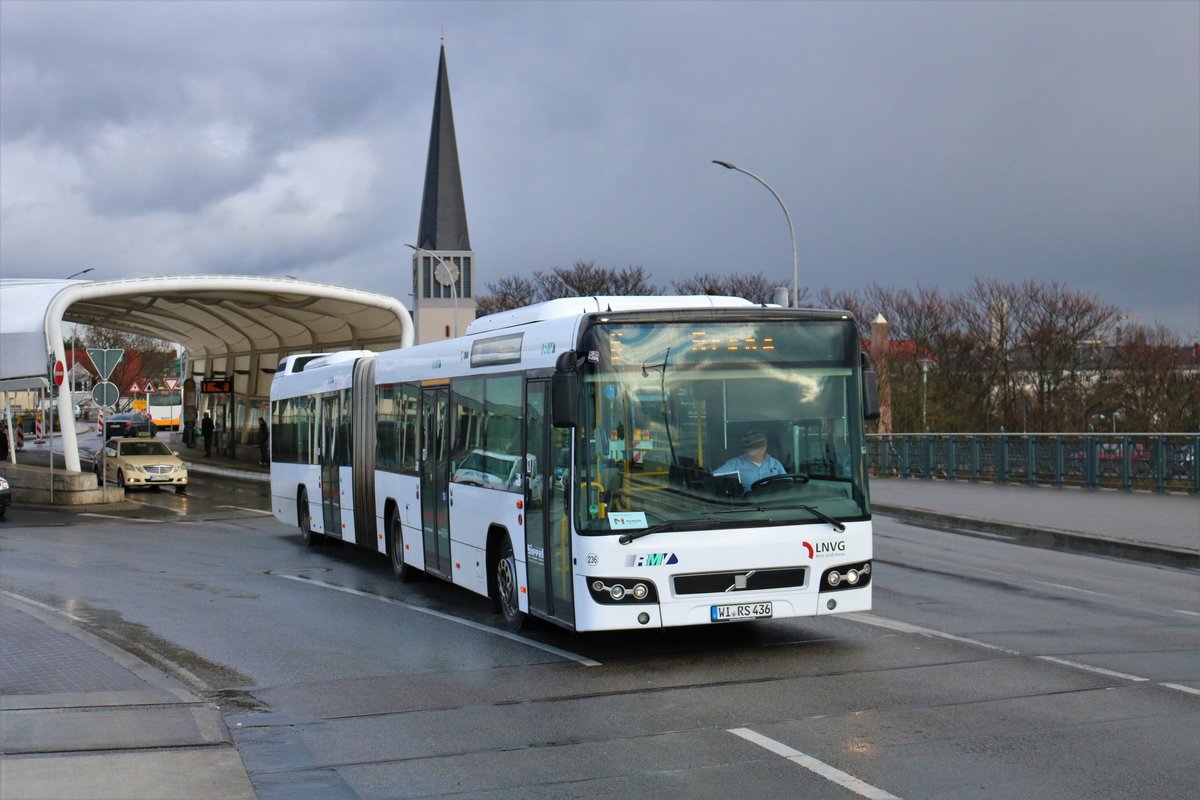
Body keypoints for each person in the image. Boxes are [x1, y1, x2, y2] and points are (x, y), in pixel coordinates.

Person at [715, 430, 786, 493]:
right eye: (748, 444)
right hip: (746, 506)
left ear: (764, 446)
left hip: (774, 505)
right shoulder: (734, 464)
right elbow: (712, 479)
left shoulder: (775, 464)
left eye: (755, 444)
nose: (751, 446)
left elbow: (788, 484)